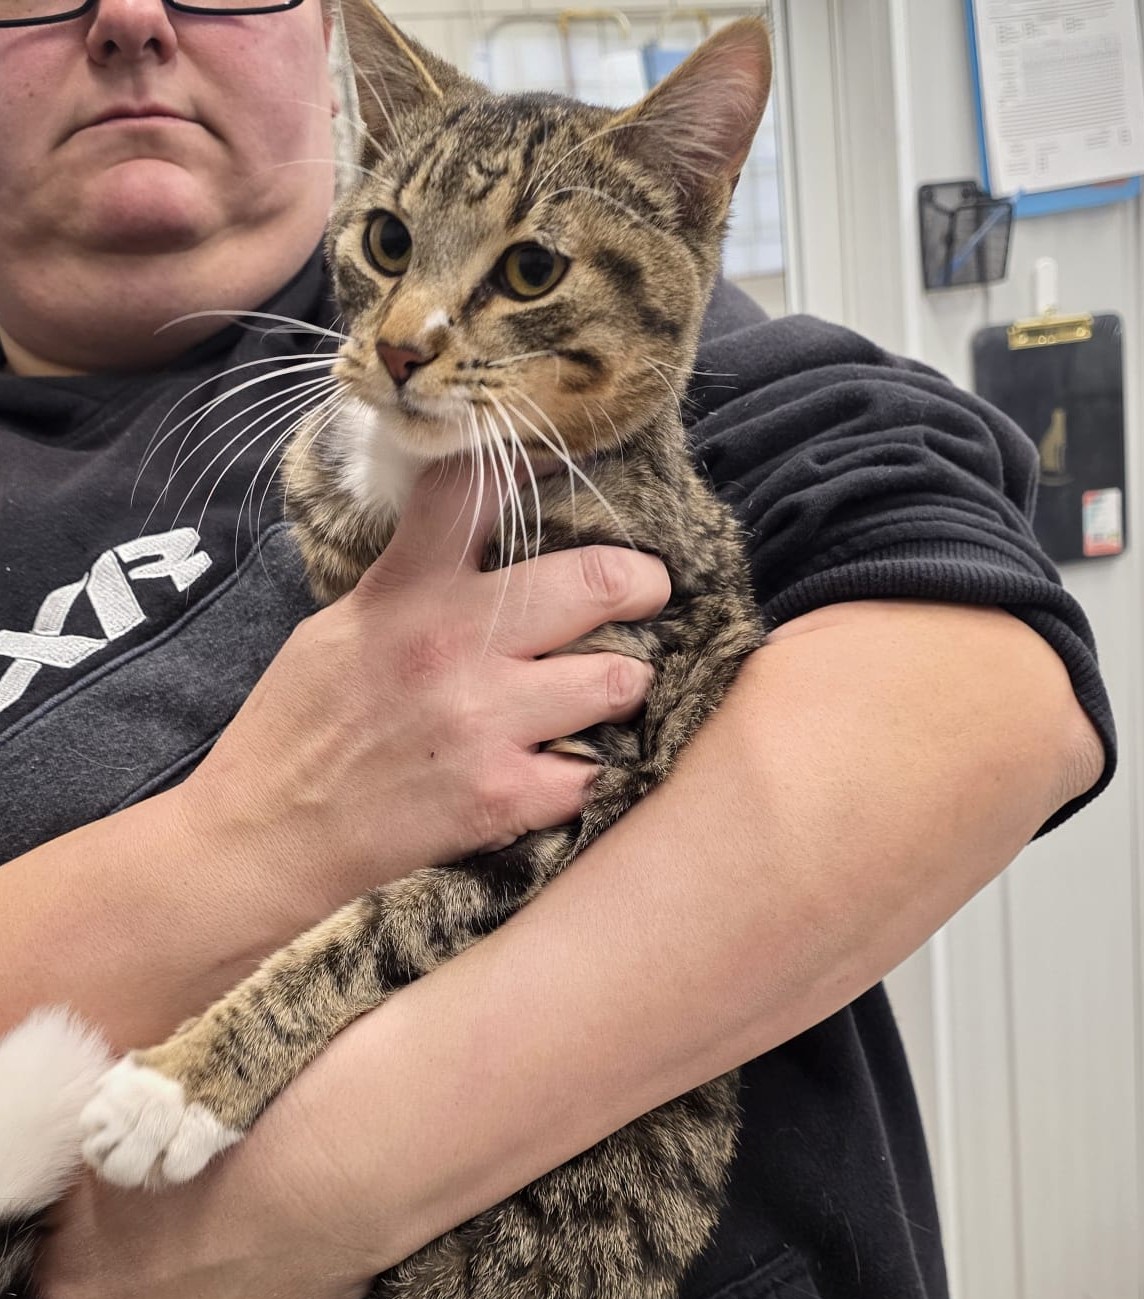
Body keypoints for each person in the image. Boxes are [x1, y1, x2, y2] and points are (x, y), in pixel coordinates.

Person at [0, 0, 1113, 1294]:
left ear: (315, 43)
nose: (133, 16)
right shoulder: (324, 405)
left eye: (524, 271)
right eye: (392, 246)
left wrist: (253, 1209)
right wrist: (263, 826)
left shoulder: (642, 401)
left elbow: (991, 691)